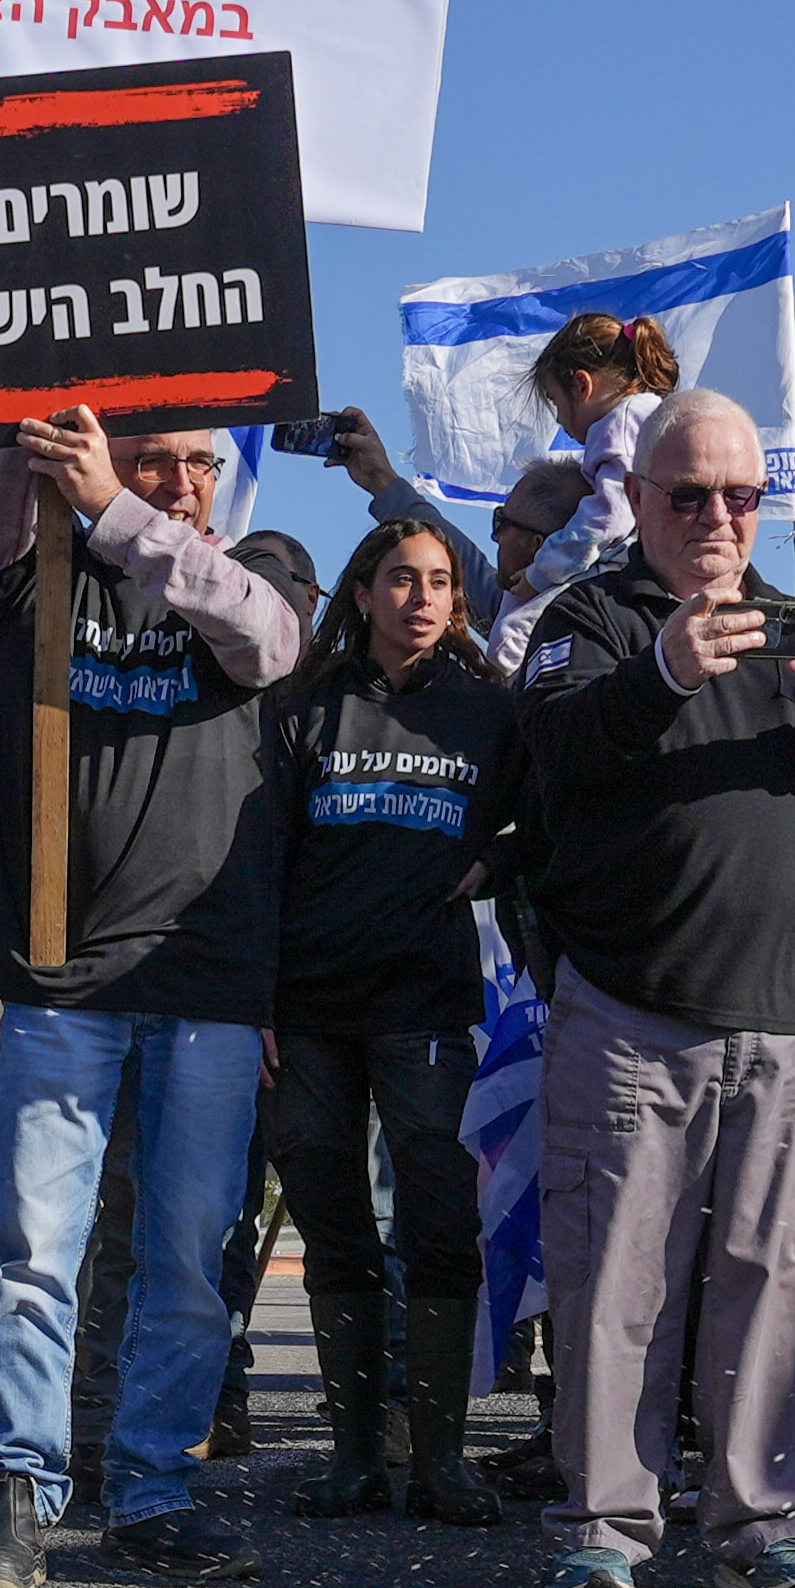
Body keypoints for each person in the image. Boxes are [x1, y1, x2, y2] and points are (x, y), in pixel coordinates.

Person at [518, 387, 795, 1588]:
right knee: (615, 1286)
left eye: (742, 495)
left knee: (770, 1281)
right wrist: (660, 671)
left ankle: (757, 1522)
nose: (717, 517)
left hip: (789, 1015)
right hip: (636, 1004)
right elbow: (549, 749)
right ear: (634, 498)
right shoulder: (584, 620)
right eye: (688, 493)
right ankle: (605, 1524)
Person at [0, 415, 314, 1588]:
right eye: (159, 457)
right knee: (32, 1250)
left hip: (206, 979)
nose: (186, 481)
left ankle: (153, 1489)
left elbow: (264, 644)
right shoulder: (47, 568)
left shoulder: (262, 564)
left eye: (203, 463)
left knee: (185, 1261)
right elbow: (6, 499)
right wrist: (30, 447)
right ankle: (14, 1488)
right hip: (66, 976)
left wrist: (121, 508)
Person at [270, 515, 521, 1528]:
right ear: (362, 592)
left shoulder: (488, 713)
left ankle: (441, 1461)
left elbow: (545, 820)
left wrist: (494, 863)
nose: (420, 597)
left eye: (439, 582)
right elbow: (255, 862)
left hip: (425, 1002)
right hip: (308, 1012)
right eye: (400, 579)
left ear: (457, 602)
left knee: (438, 1225)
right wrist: (255, 1005)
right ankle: (351, 1458)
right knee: (333, 1226)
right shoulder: (305, 707)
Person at [486, 313, 677, 671]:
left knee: (513, 632)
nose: (559, 419)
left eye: (555, 401)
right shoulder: (650, 414)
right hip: (646, 565)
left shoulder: (617, 425)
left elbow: (609, 518)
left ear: (581, 385)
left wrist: (539, 573)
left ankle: (513, 701)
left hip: (621, 564)